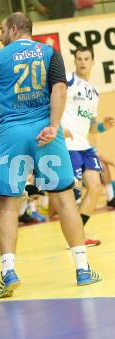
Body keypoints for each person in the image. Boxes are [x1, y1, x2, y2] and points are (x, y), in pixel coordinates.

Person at [0, 12, 101, 299]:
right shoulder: (50, 52)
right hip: (45, 132)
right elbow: (60, 89)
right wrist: (53, 126)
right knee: (65, 199)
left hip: (12, 135)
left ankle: (8, 272)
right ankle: (82, 269)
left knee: (8, 205)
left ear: (14, 29)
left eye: (2, 29)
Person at [61, 46, 115, 247]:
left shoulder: (94, 92)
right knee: (73, 195)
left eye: (86, 58)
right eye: (79, 58)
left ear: (93, 62)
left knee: (95, 187)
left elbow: (92, 127)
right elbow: (52, 102)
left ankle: (78, 233)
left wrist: (103, 126)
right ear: (74, 61)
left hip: (85, 145)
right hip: (68, 146)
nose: (83, 62)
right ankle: (74, 239)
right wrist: (56, 127)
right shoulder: (68, 80)